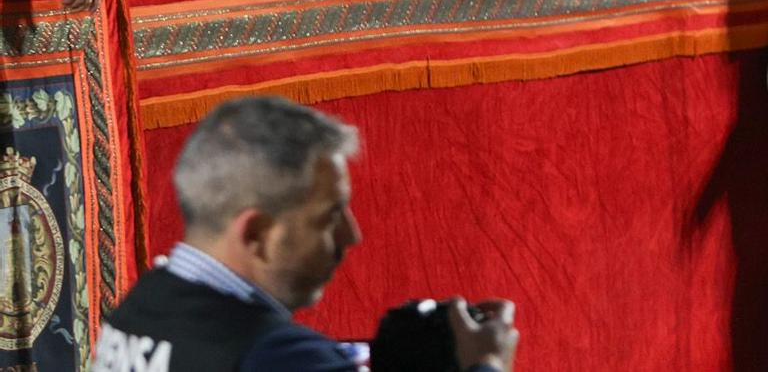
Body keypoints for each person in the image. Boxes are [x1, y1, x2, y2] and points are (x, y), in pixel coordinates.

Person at [94, 94, 520, 370]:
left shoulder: (140, 307)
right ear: (258, 234)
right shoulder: (274, 354)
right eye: (329, 216)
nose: (351, 236)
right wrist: (487, 362)